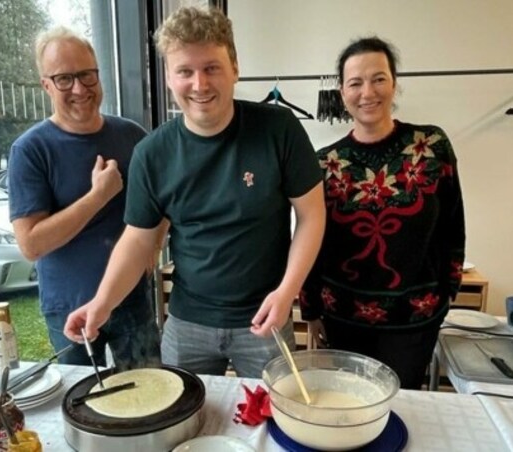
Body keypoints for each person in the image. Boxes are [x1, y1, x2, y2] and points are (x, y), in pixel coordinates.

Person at [64, 6, 325, 378]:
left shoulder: (278, 129)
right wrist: (101, 303)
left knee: (273, 422)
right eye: (185, 71)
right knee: (184, 420)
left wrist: (288, 292)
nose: (199, 84)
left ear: (235, 68)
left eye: (211, 68)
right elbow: (138, 240)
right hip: (187, 323)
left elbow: (312, 215)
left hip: (266, 314)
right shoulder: (152, 153)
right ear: (169, 78)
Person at [300, 37, 466, 389]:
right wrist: (311, 310)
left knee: (400, 409)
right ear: (342, 92)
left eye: (378, 79)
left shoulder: (432, 146)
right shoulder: (324, 162)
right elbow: (311, 240)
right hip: (342, 318)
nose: (367, 92)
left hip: (414, 320)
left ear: (394, 83)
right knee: (347, 407)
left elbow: (453, 223)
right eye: (355, 83)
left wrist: (450, 289)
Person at [7, 26, 162, 369]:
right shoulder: (30, 150)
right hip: (68, 308)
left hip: (131, 298)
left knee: (148, 393)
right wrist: (98, 196)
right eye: (64, 79)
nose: (79, 89)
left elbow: (161, 199)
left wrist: (154, 243)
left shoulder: (132, 136)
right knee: (81, 402)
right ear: (46, 84)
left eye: (87, 75)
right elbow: (31, 244)